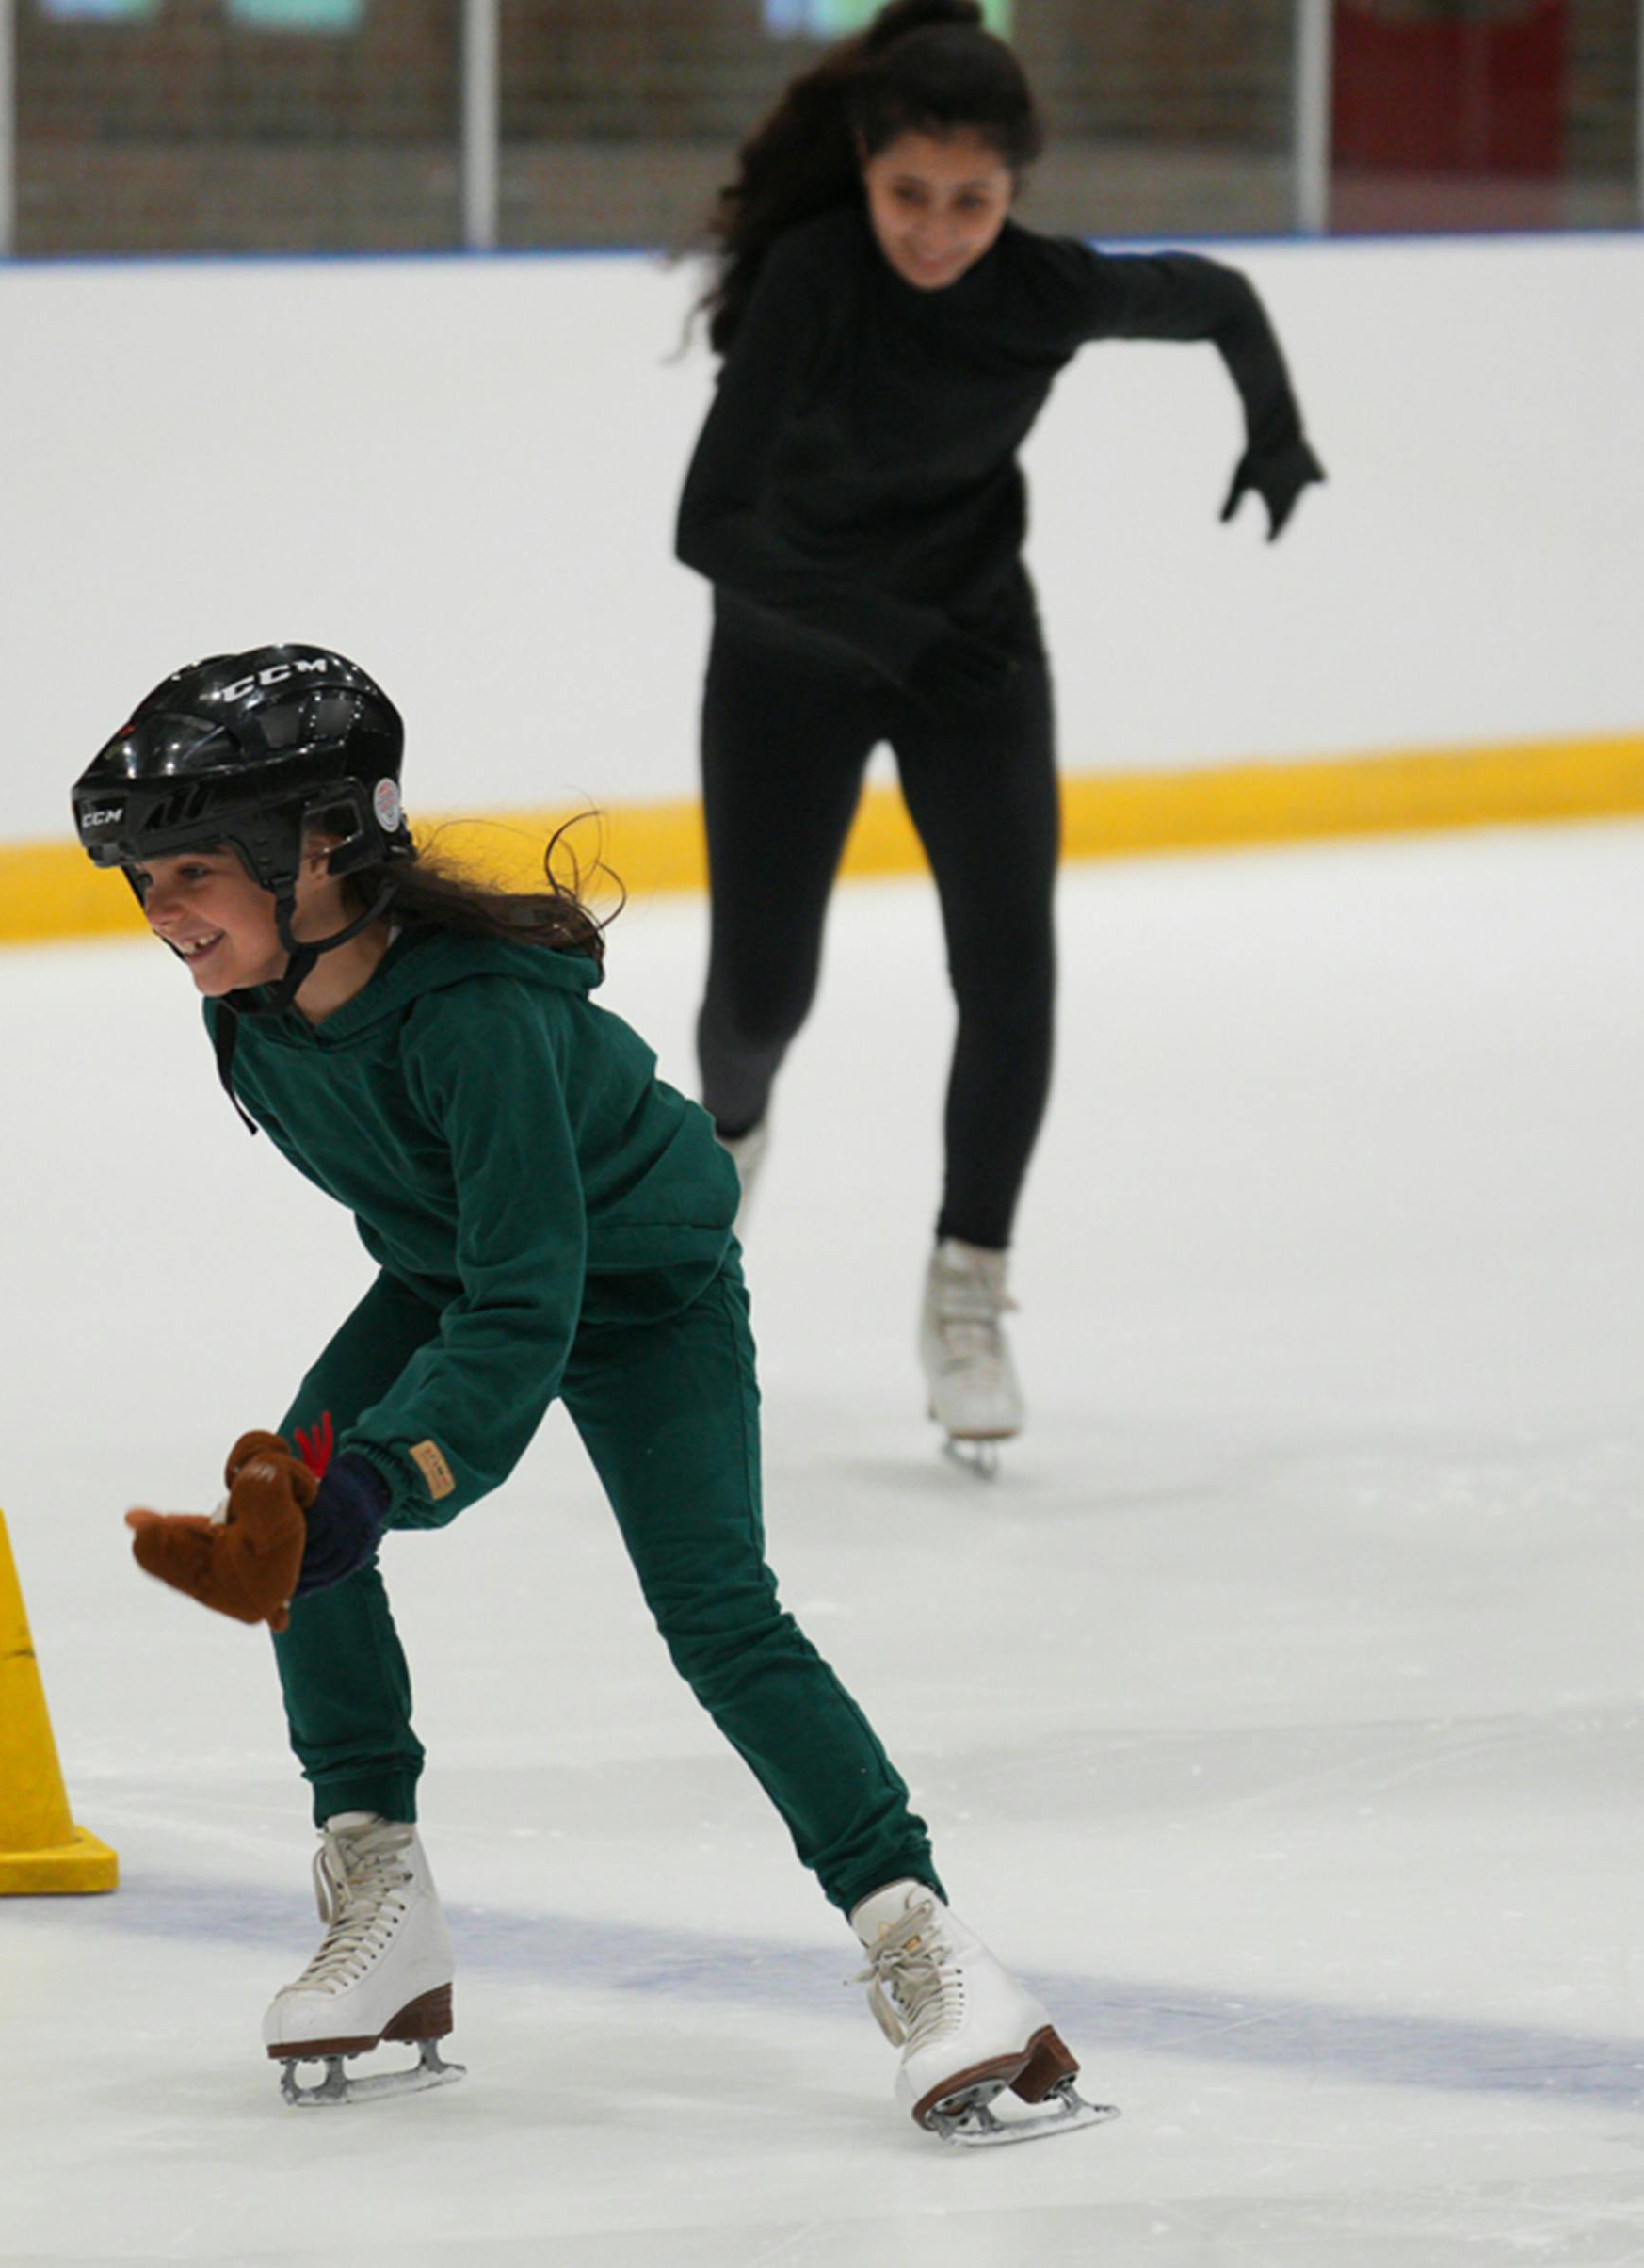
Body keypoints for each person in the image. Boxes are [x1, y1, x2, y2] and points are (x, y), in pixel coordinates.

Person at [71, 640, 1110, 2146]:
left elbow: (528, 1299)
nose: (163, 918)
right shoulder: (254, 1007)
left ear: (320, 847)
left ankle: (931, 1951)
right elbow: (462, 1260)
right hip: (462, 1269)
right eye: (144, 884)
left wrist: (390, 1473)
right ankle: (382, 1890)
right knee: (290, 1519)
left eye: (189, 876)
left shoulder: (479, 1020)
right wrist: (337, 1488)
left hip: (641, 1289)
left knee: (718, 1617)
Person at [675, 0, 1324, 1473]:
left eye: (973, 201)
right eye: (911, 194)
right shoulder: (814, 280)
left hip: (975, 654)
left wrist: (1273, 427)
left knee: (1013, 975)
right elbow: (708, 525)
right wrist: (890, 636)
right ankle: (704, 1184)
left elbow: (1218, 295)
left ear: (1015, 188)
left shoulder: (1038, 293)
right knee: (760, 1000)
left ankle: (967, 1290)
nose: (938, 231)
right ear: (864, 166)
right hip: (788, 652)